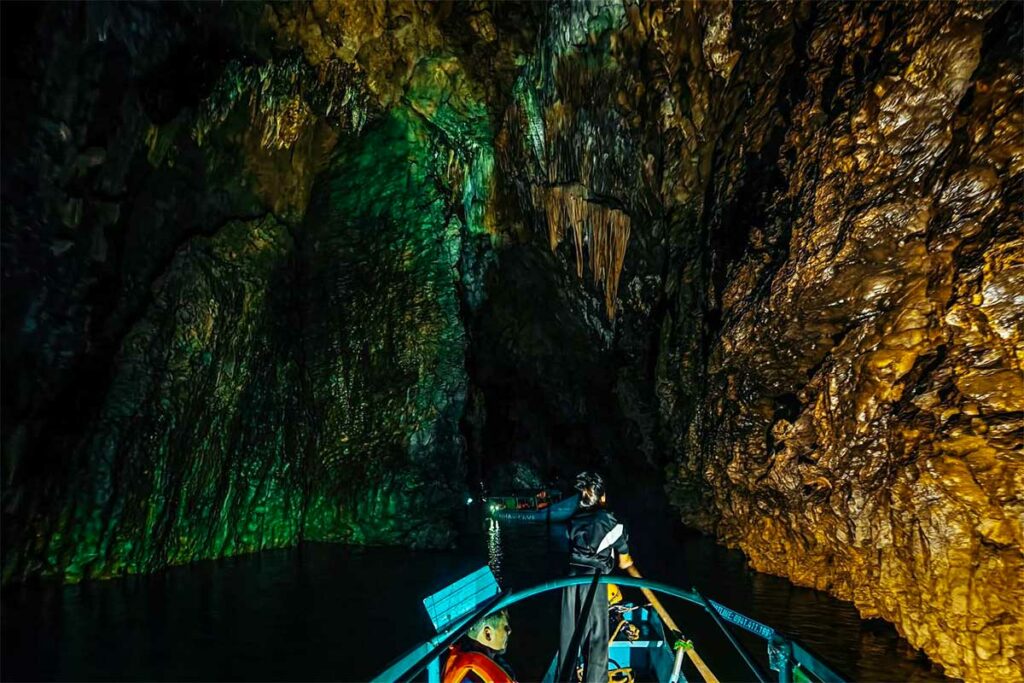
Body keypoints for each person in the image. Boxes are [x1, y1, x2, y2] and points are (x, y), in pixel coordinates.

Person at [558, 471, 633, 683]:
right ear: (603, 497)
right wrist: (627, 560)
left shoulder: (572, 521)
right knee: (597, 637)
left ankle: (566, 678)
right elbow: (624, 560)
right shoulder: (610, 521)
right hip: (593, 581)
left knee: (568, 636)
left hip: (570, 581)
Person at [443, 609, 516, 683]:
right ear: (488, 634)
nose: (509, 631)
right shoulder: (470, 674)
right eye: (506, 628)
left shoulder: (490, 662)